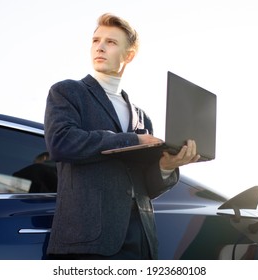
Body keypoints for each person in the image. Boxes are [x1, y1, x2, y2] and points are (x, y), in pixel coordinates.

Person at [44, 13, 200, 260]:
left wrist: (166, 167)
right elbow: (61, 143)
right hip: (87, 242)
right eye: (96, 40)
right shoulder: (68, 92)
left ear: (129, 55)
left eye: (111, 42)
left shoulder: (142, 117)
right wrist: (133, 140)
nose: (100, 47)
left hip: (140, 243)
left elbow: (147, 188)